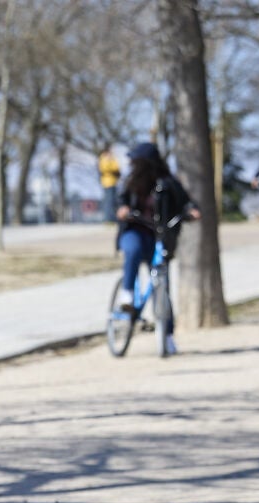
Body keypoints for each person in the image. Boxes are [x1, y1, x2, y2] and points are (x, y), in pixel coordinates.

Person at [115, 142, 199, 355]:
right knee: (132, 251)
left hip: (159, 235)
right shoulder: (130, 183)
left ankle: (167, 335)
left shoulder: (168, 183)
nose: (133, 164)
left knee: (162, 283)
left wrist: (192, 211)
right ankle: (127, 294)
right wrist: (123, 209)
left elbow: (186, 202)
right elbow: (121, 201)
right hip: (135, 230)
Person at [98, 145, 121, 223]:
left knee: (113, 201)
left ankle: (112, 217)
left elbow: (117, 167)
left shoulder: (111, 159)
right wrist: (113, 169)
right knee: (109, 201)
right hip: (108, 183)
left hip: (113, 182)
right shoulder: (103, 158)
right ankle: (109, 218)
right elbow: (106, 168)